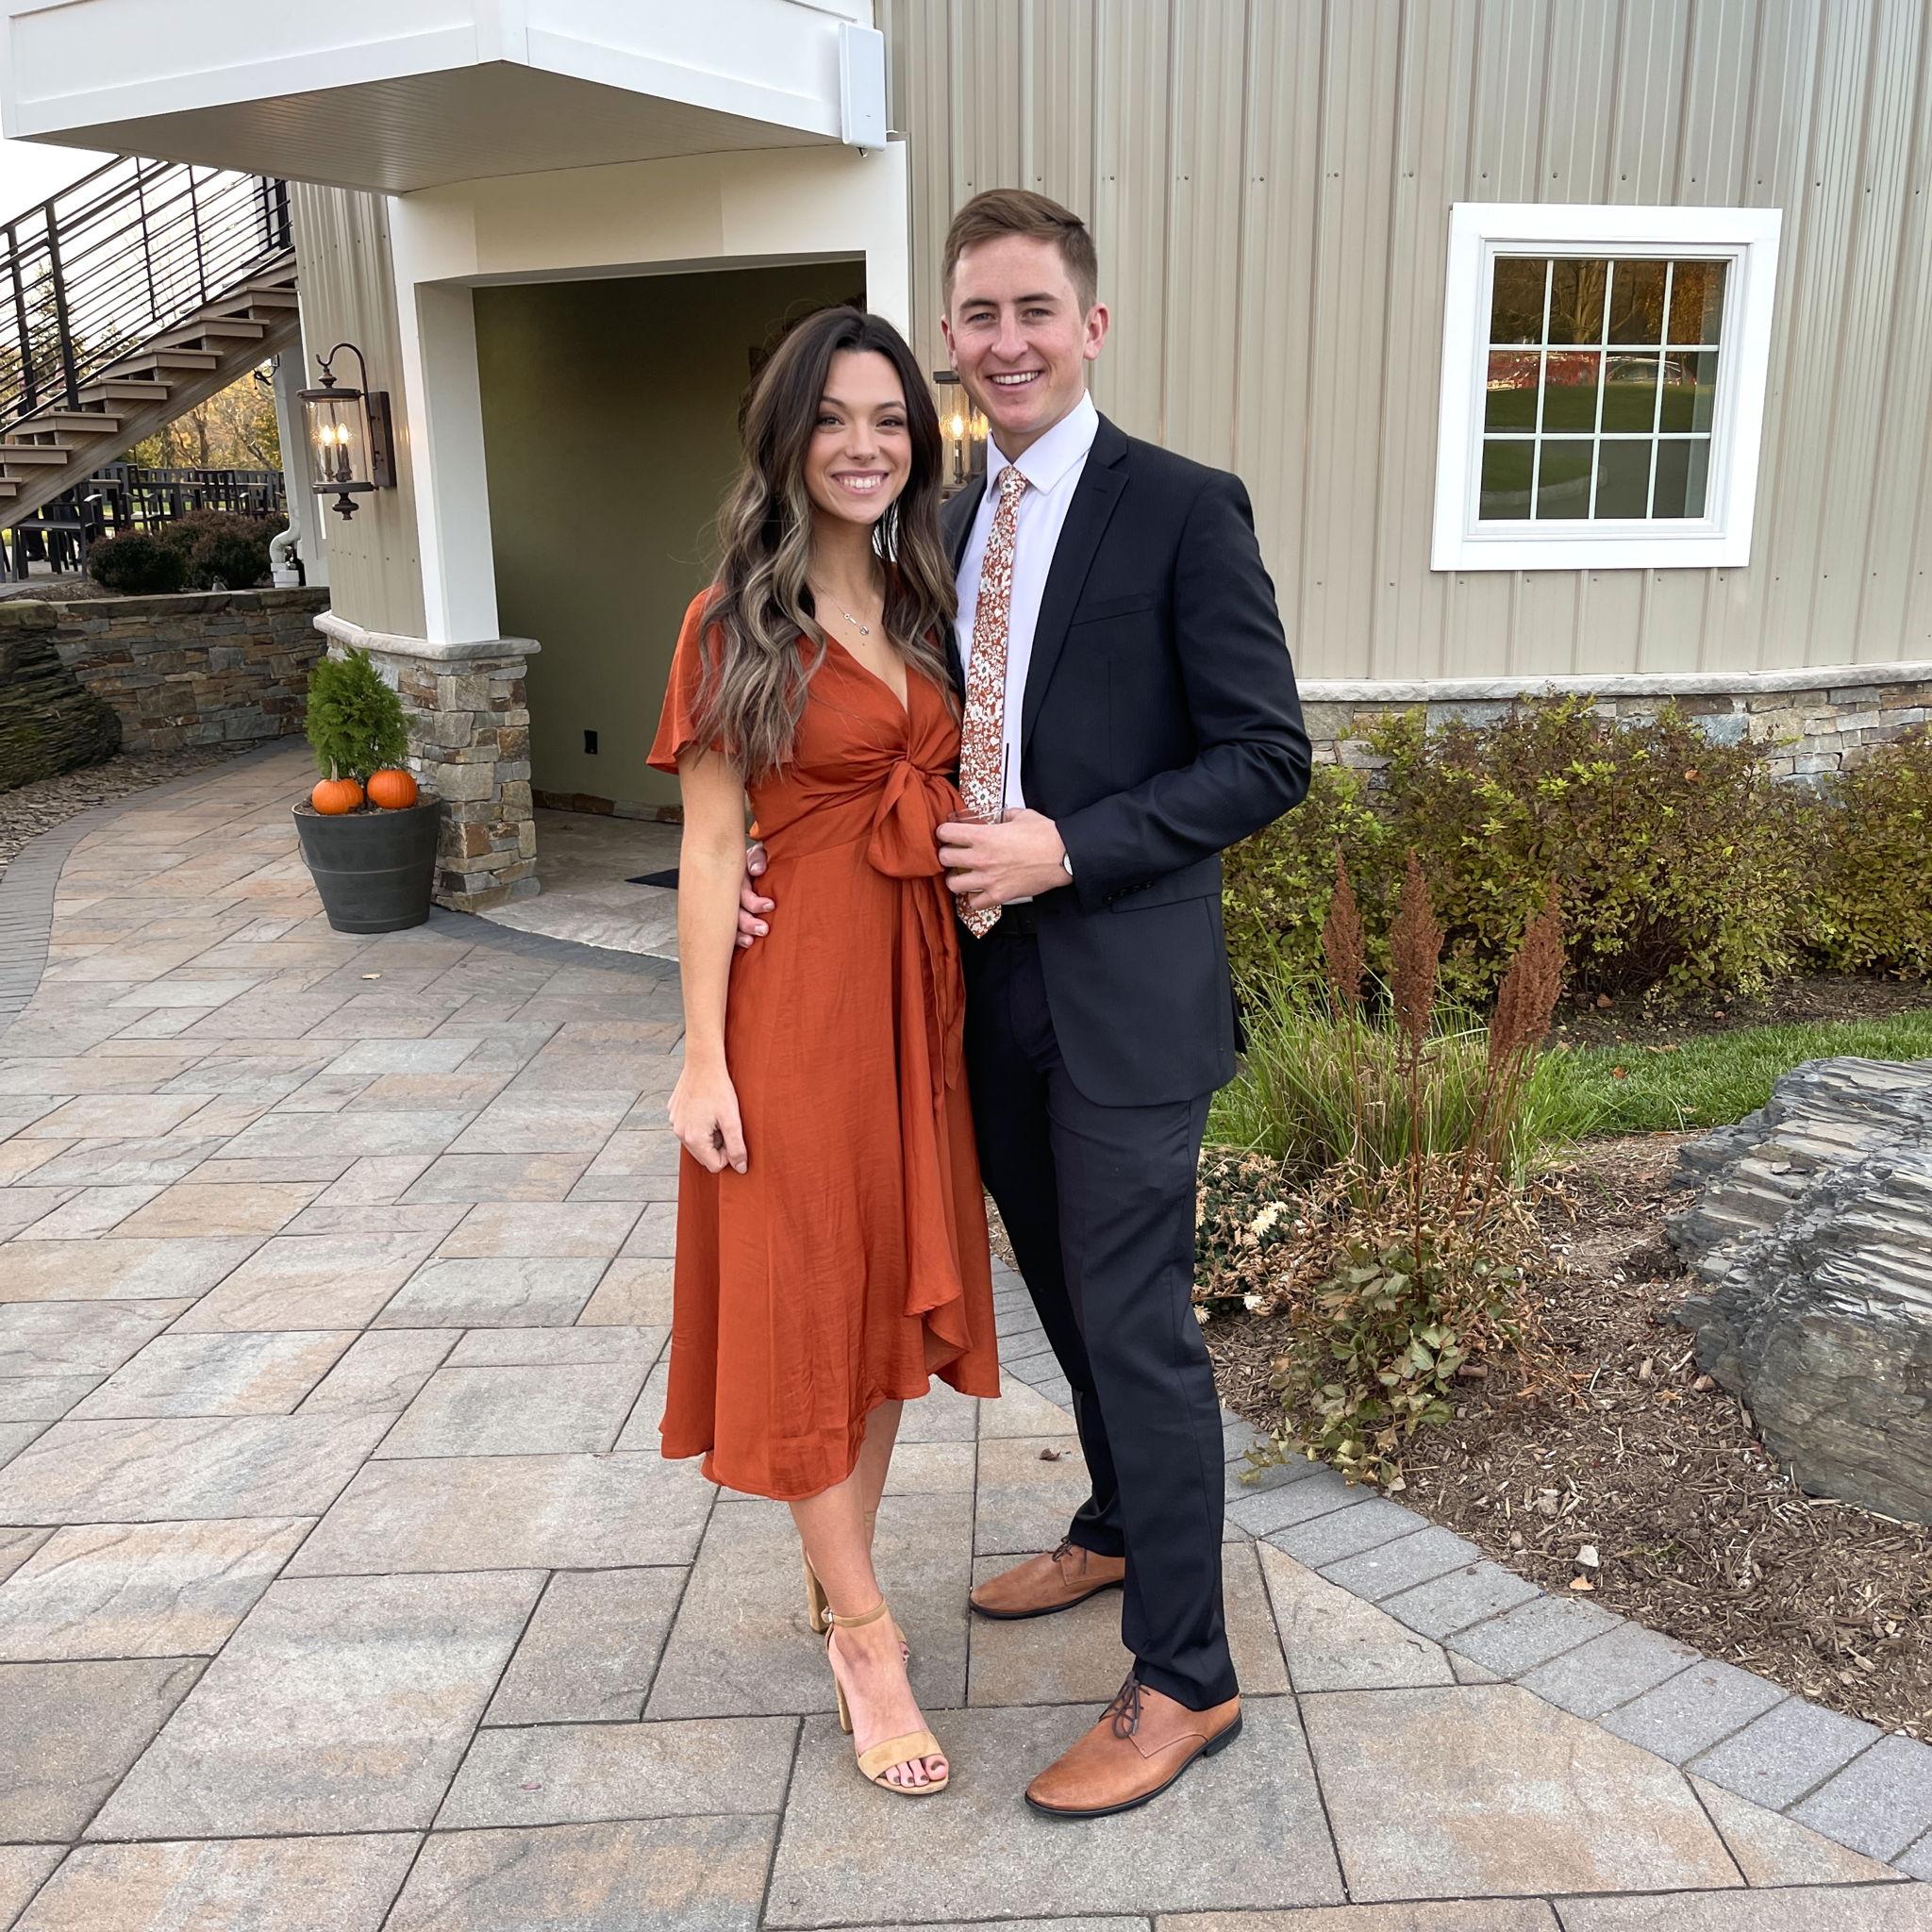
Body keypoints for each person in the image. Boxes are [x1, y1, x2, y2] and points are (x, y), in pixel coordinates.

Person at [739, 190, 1310, 1818]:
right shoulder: (934, 525)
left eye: (1034, 311)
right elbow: (862, 720)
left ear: (1091, 325)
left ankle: (1187, 1676)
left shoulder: (1182, 508)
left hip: (1127, 998)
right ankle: (1118, 1525)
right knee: (1065, 1299)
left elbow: (1267, 756)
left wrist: (1071, 846)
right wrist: (767, 856)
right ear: (951, 338)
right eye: (978, 316)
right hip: (974, 998)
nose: (1007, 344)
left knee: (1136, 1322)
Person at [652, 304, 1002, 1798]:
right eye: (834, 419)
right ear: (787, 438)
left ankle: (836, 1572)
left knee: (874, 1311)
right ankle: (866, 1637)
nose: (865, 446)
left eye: (890, 420)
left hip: (915, 1008)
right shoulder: (730, 621)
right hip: (792, 1009)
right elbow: (709, 842)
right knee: (804, 1311)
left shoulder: (929, 601)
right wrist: (702, 1060)